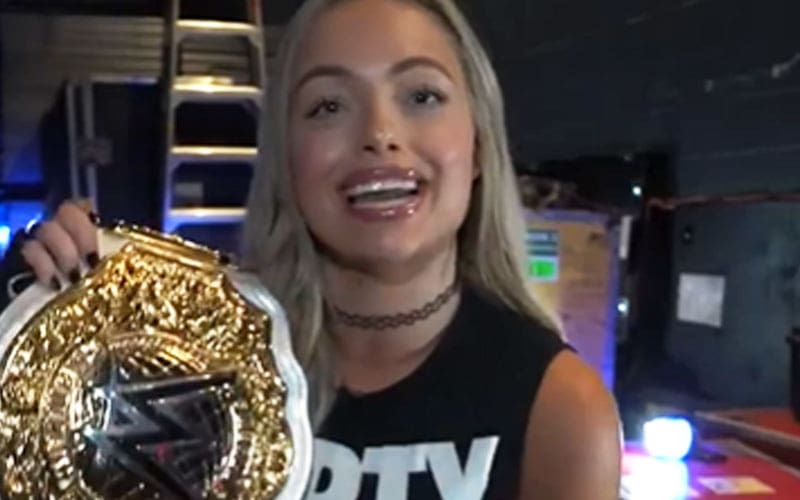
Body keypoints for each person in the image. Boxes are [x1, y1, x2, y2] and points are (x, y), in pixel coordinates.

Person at [10, 0, 622, 498]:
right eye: (328, 106)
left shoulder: (562, 412)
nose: (380, 135)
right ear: (286, 162)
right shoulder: (191, 357)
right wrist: (26, 320)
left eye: (422, 96)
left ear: (480, 143)